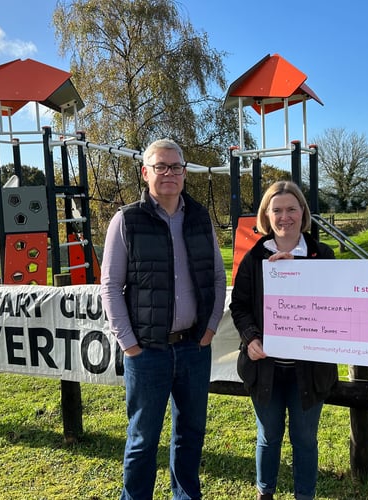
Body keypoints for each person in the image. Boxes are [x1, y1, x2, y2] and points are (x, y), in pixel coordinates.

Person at [100, 138, 227, 500]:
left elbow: (218, 278)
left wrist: (210, 329)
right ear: (145, 173)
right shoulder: (126, 221)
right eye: (161, 167)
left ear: (185, 174)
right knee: (142, 441)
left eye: (175, 167)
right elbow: (110, 287)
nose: (169, 173)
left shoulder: (201, 217)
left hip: (193, 348)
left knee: (190, 437)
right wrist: (129, 344)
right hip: (148, 353)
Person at [230, 181, 338, 500]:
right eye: (276, 210)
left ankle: (305, 495)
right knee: (269, 435)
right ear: (266, 214)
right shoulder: (254, 257)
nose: (284, 216)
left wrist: (300, 274)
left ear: (303, 212)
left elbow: (336, 304)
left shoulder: (322, 255)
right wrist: (250, 338)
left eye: (292, 208)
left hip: (310, 368)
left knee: (305, 437)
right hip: (265, 367)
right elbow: (240, 305)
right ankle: (266, 492)